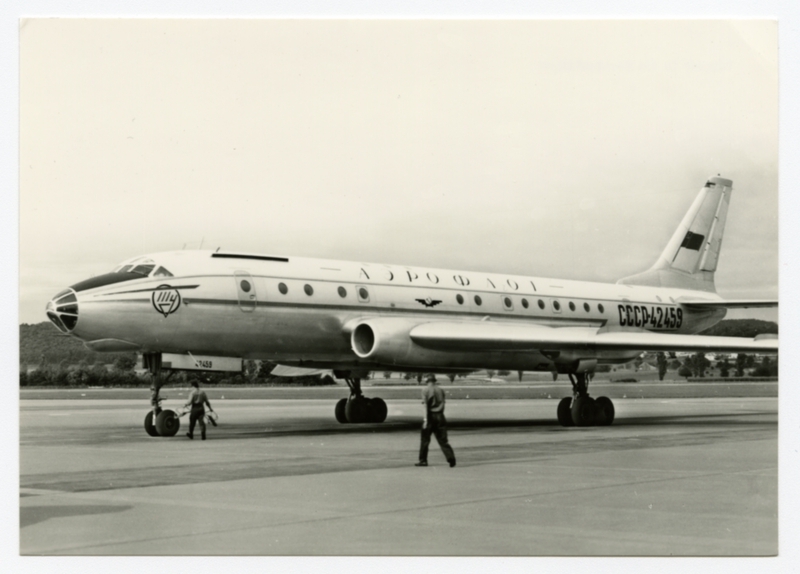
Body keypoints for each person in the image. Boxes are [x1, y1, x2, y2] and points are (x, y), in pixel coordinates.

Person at [415, 374, 456, 467]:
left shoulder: (425, 390)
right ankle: (451, 458)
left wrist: (425, 419)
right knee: (443, 440)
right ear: (434, 380)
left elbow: (425, 406)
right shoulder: (440, 390)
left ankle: (423, 460)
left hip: (430, 416)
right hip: (440, 415)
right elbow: (443, 404)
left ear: (427, 381)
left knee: (425, 440)